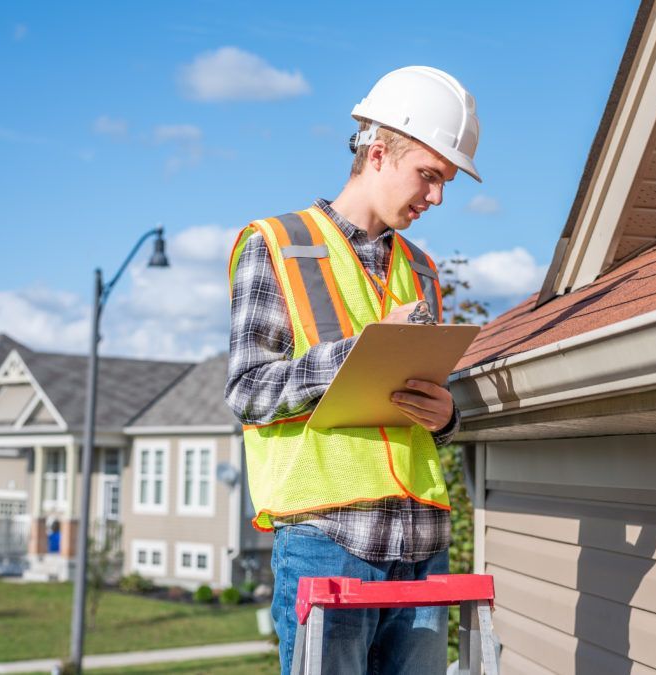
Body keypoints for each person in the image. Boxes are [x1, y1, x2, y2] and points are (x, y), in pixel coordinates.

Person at [225, 66, 481, 675]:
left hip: (421, 542)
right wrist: (358, 351)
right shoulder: (277, 245)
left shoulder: (420, 270)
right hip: (329, 542)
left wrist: (445, 417)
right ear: (377, 152)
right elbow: (248, 390)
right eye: (429, 175)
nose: (436, 197)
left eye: (445, 183)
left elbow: (416, 403)